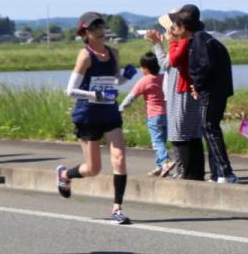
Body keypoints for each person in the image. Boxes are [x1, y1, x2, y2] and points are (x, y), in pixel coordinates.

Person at [56, 13, 134, 224]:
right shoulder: (85, 56)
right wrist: (96, 95)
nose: (100, 31)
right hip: (88, 115)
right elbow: (70, 91)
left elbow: (113, 81)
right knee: (93, 169)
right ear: (85, 33)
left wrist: (126, 77)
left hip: (110, 113)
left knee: (119, 158)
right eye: (94, 28)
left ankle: (117, 209)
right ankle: (65, 175)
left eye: (101, 26)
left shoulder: (114, 53)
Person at [177, 4, 237, 183]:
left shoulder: (199, 39)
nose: (174, 30)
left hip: (211, 92)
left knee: (209, 128)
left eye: (176, 26)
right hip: (215, 90)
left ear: (183, 26)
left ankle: (226, 173)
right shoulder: (201, 37)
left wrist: (197, 85)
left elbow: (205, 65)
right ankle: (218, 174)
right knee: (209, 129)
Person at [149, 12, 205, 180]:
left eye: (172, 27)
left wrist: (160, 44)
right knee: (191, 135)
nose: (169, 30)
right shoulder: (189, 41)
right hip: (184, 91)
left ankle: (187, 173)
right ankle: (192, 174)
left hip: (182, 92)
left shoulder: (184, 43)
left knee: (181, 134)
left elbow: (169, 62)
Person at [119, 52, 170, 175]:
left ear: (145, 68)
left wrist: (120, 109)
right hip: (167, 115)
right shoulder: (164, 78)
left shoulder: (145, 80)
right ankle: (159, 167)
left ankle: (166, 162)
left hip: (154, 116)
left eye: (141, 67)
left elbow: (131, 97)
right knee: (161, 142)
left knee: (157, 142)